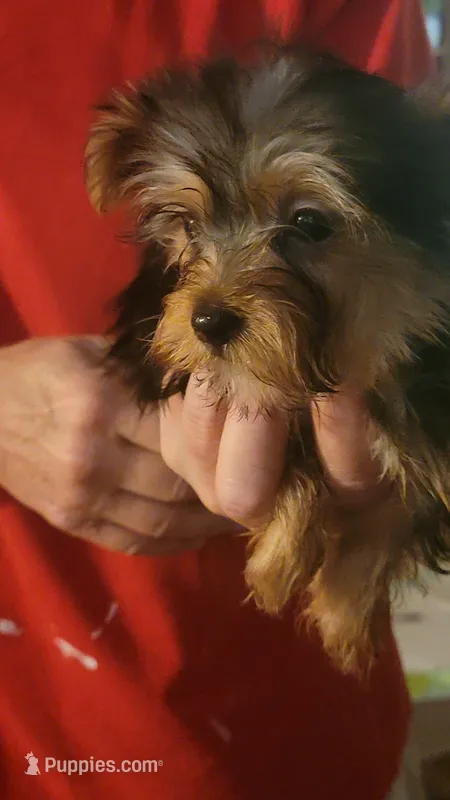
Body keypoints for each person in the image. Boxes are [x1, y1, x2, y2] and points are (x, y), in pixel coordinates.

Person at [0, 1, 434, 798]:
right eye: (186, 229)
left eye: (307, 224)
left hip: (296, 717)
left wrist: (384, 507)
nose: (212, 294)